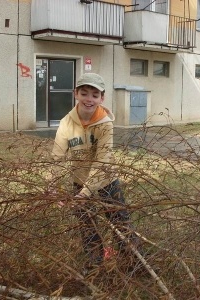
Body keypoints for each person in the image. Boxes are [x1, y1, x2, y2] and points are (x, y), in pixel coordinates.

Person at [51, 73, 138, 272]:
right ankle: (94, 265)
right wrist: (53, 187)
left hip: (106, 181)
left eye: (95, 94)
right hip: (79, 182)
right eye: (84, 93)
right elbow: (57, 156)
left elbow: (102, 160)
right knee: (87, 226)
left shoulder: (105, 124)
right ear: (76, 94)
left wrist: (85, 193)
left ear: (102, 98)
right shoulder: (66, 123)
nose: (89, 99)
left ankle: (134, 263)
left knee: (120, 223)